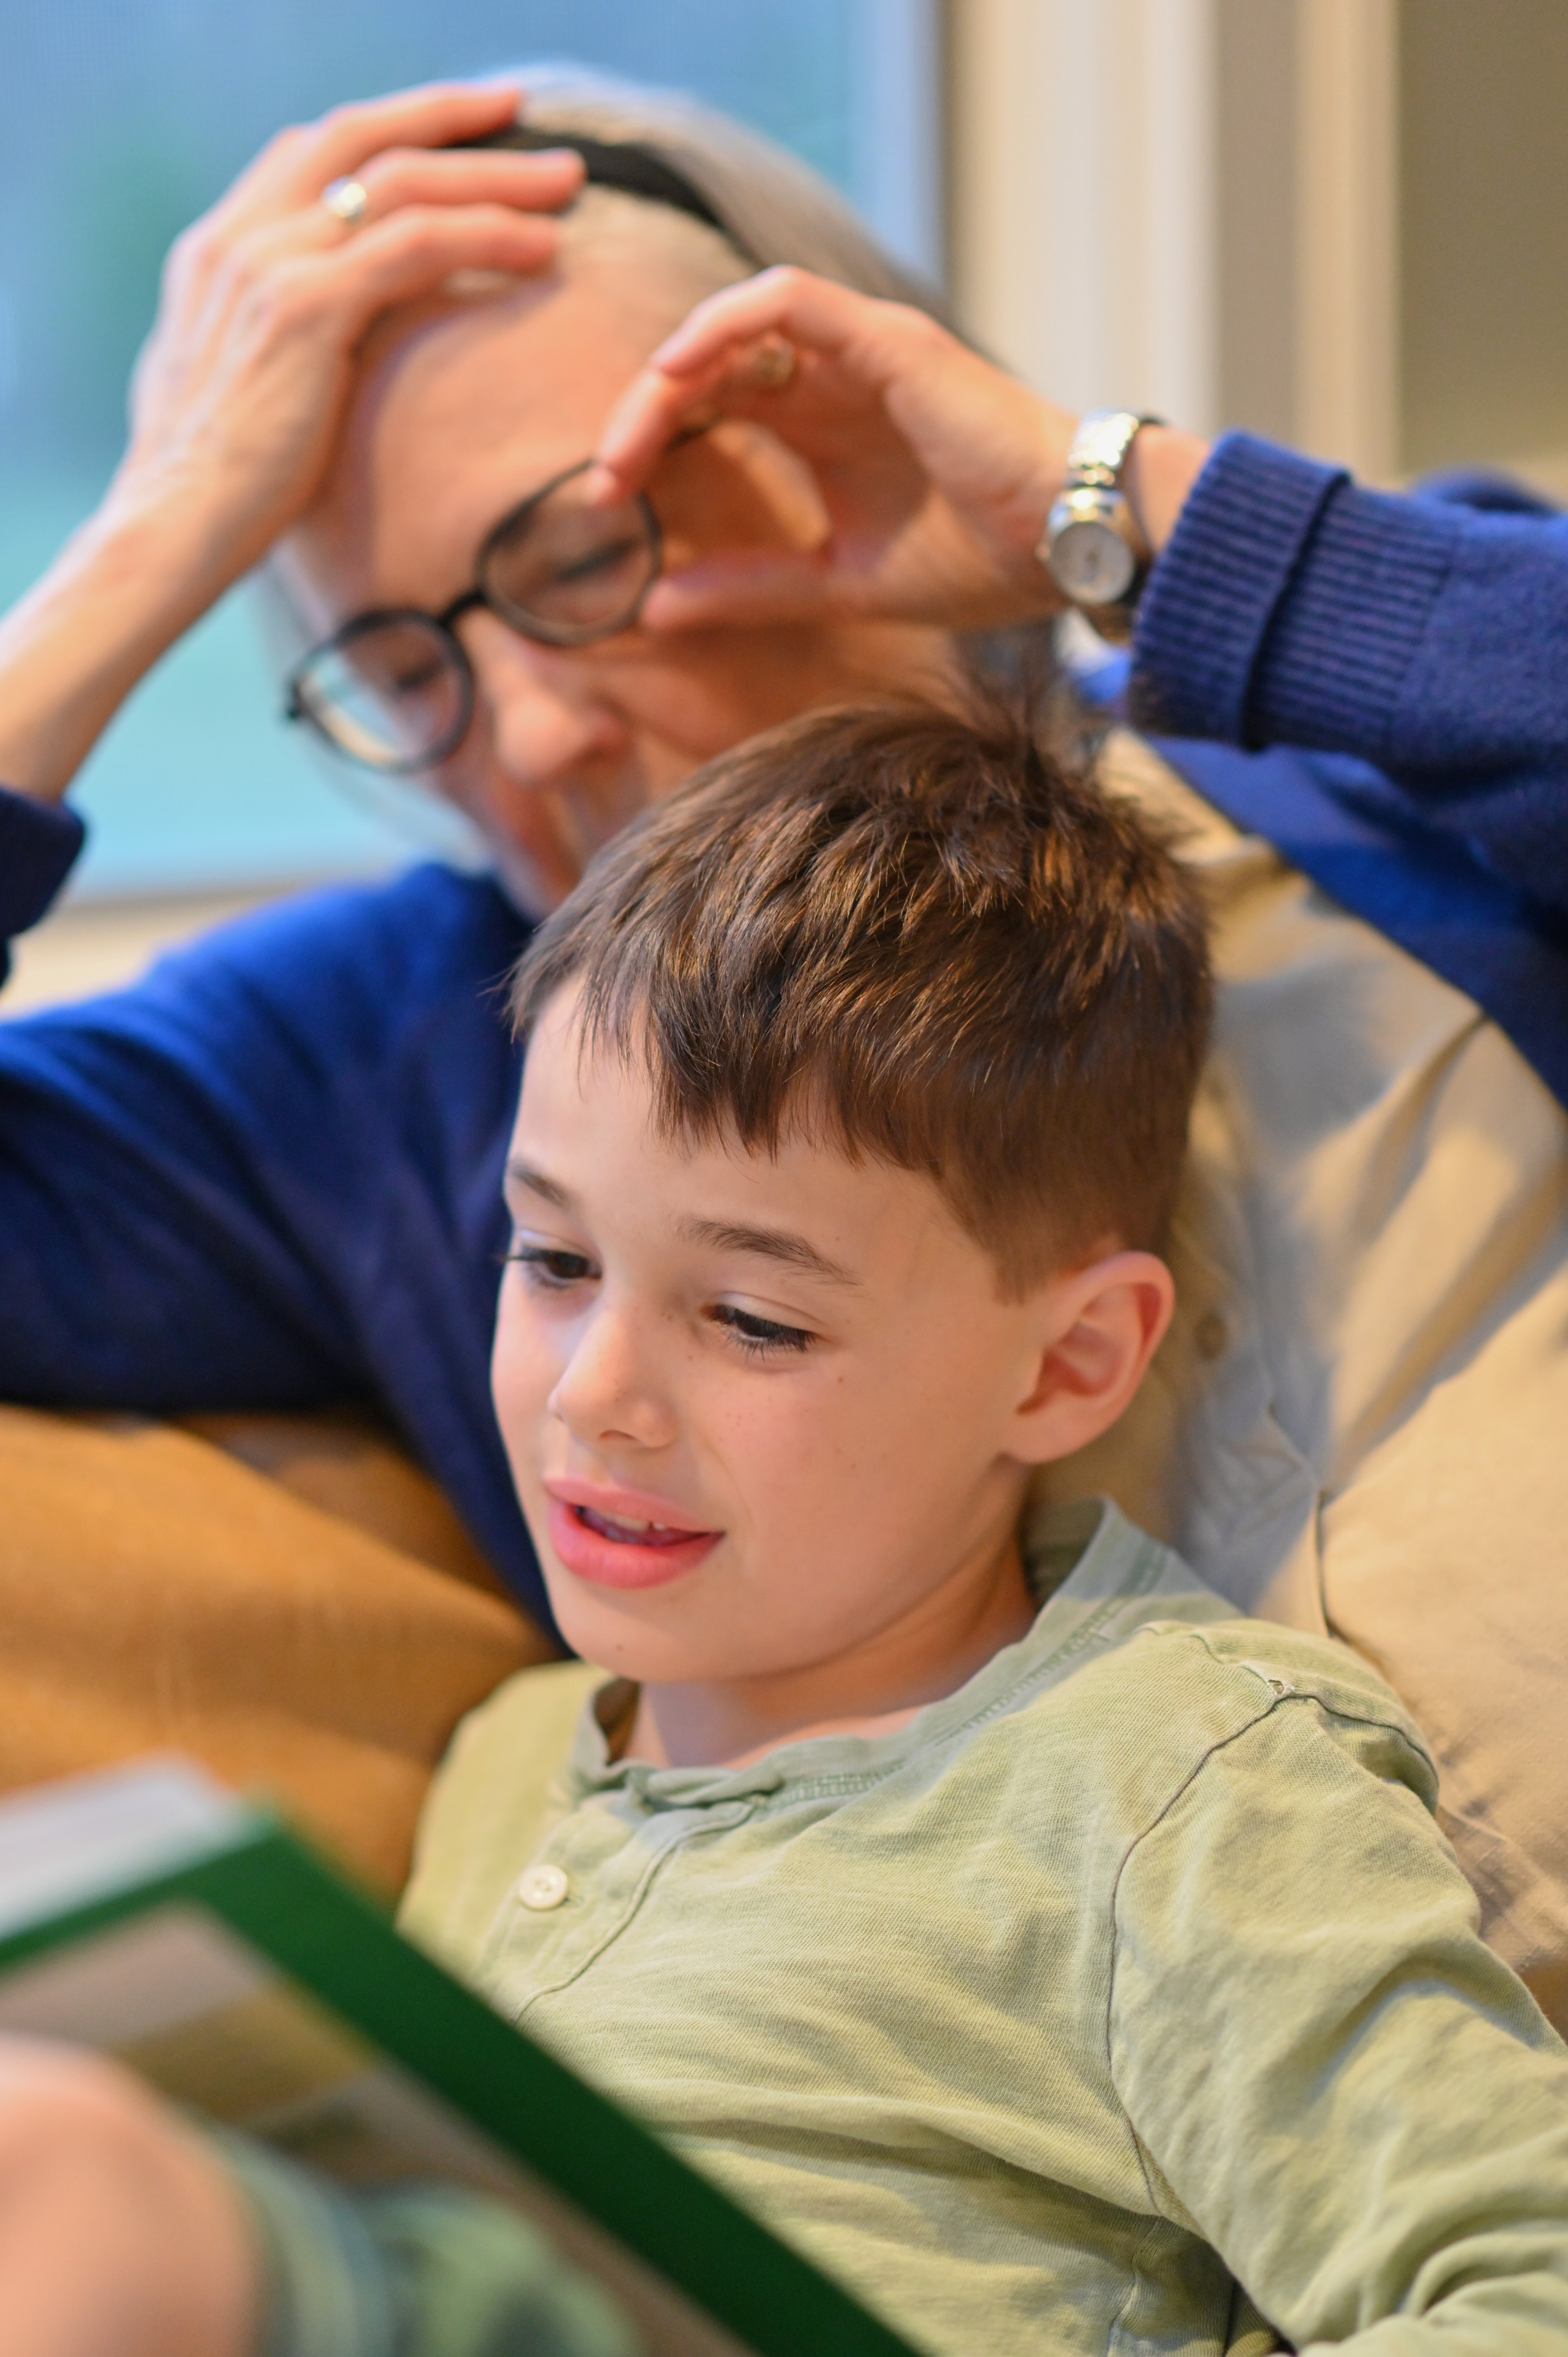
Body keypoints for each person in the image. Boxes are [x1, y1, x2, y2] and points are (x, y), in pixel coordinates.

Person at [0, 69, 1565, 2004]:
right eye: (404, 666)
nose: (535, 736)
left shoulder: (1359, 742)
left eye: (578, 555)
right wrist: (135, 557)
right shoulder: (408, 1052)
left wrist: (1117, 510)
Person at [6, 700, 1568, 2357]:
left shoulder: (1172, 1776)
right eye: (551, 1263)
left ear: (1068, 1362)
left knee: (66, 2177)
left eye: (752, 1320)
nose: (594, 1396)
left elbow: (1516, 2295)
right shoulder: (514, 1756)